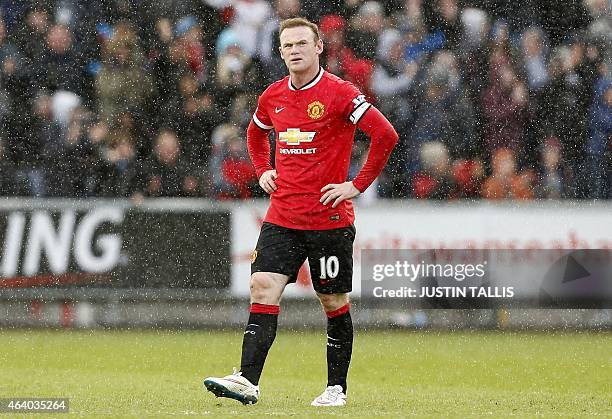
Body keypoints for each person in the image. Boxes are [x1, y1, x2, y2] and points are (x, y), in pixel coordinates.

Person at [203, 17, 398, 406]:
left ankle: (335, 388)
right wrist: (263, 171)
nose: (294, 50)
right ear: (280, 51)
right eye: (287, 45)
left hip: (328, 220)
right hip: (282, 216)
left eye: (301, 44)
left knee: (333, 302)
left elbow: (385, 135)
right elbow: (256, 133)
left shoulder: (340, 93)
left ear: (318, 47)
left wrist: (355, 186)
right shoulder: (273, 96)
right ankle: (247, 379)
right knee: (262, 286)